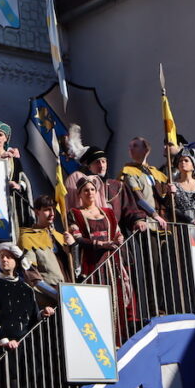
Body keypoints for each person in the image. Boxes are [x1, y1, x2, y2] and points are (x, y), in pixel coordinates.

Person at [68, 180, 138, 342]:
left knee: (116, 300)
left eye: (92, 189)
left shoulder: (108, 212)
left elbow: (118, 233)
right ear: (79, 194)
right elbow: (78, 238)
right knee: (96, 303)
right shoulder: (74, 213)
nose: (90, 193)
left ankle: (119, 341)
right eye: (85, 190)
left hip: (112, 263)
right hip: (91, 263)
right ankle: (101, 341)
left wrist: (119, 240)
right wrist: (101, 244)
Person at [0, 243, 54, 361]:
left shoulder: (27, 288)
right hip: (4, 351)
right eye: (1, 257)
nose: (4, 259)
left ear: (16, 261)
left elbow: (33, 316)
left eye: (8, 257)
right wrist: (5, 342)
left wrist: (43, 313)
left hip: (27, 349)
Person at [18, 195, 74, 306]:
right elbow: (30, 272)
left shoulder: (60, 236)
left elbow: (76, 268)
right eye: (47, 210)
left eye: (53, 209)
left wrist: (74, 245)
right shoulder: (28, 237)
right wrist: (55, 294)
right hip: (48, 297)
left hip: (69, 292)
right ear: (37, 212)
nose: (52, 213)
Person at [0, 121, 31, 228]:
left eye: (0, 135)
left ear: (6, 138)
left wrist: (18, 186)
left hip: (10, 201)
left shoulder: (14, 160)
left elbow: (22, 180)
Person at [120, 137, 170, 228]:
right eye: (129, 147)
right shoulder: (128, 171)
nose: (130, 149)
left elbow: (165, 201)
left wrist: (170, 192)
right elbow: (138, 198)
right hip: (145, 222)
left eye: (135, 146)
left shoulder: (156, 173)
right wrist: (155, 215)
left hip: (163, 222)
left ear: (146, 150)